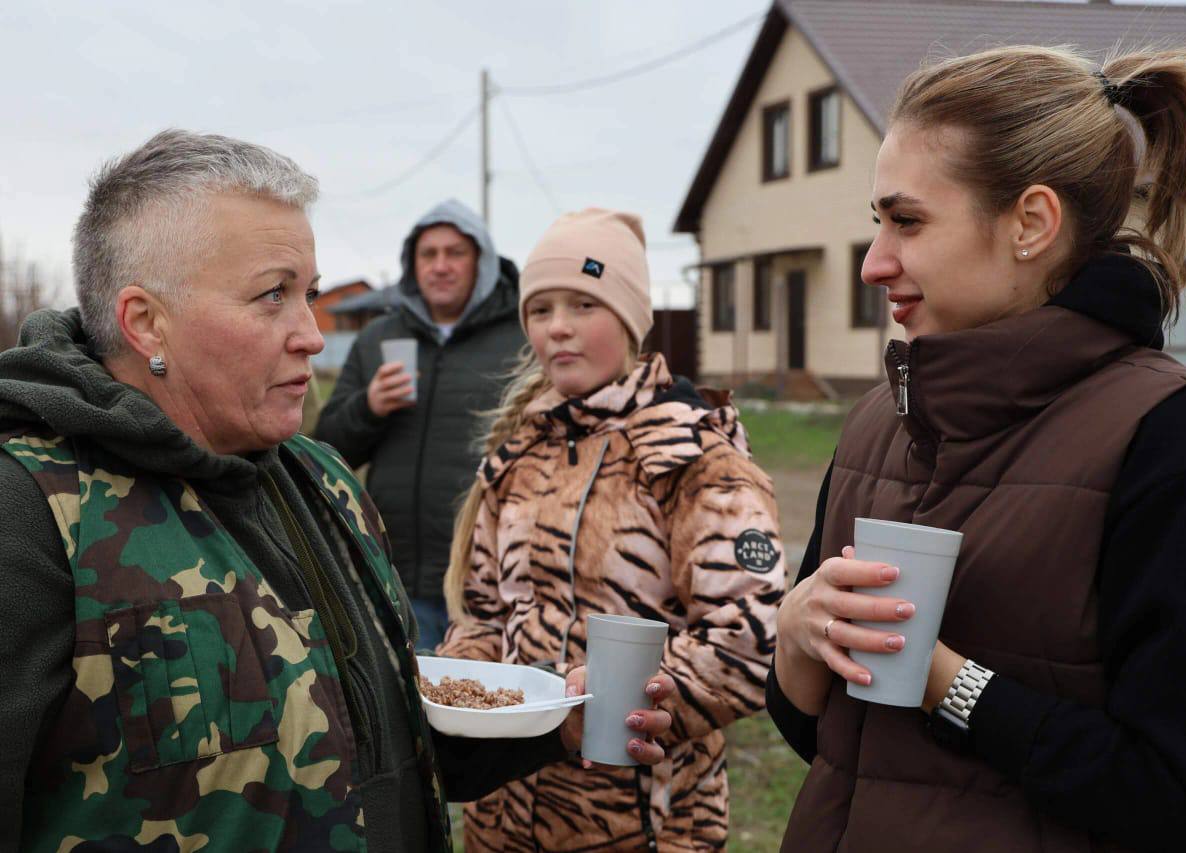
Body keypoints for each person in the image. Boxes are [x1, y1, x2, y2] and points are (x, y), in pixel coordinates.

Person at [0, 130, 677, 852]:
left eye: (311, 294)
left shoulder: (325, 480)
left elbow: (378, 740)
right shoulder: (31, 511)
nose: (313, 335)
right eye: (273, 295)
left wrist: (547, 724)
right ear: (145, 322)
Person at [767, 47, 1186, 852]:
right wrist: (798, 641)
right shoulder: (879, 420)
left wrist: (949, 684)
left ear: (1031, 223)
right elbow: (838, 750)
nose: (874, 263)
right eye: (878, 223)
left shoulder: (1179, 439)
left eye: (908, 221)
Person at [437, 208, 787, 851]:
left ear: (629, 318)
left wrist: (618, 700)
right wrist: (465, 688)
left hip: (640, 824)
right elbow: (484, 614)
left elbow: (750, 639)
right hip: (500, 820)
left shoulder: (692, 457)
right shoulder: (519, 455)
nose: (558, 327)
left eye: (583, 304)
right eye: (540, 310)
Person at [315, 199, 524, 650]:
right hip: (393, 572)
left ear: (482, 263)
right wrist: (370, 406)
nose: (440, 266)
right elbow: (327, 448)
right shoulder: (379, 337)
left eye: (455, 253)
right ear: (412, 265)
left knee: (480, 691)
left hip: (488, 579)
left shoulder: (520, 338)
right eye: (428, 254)